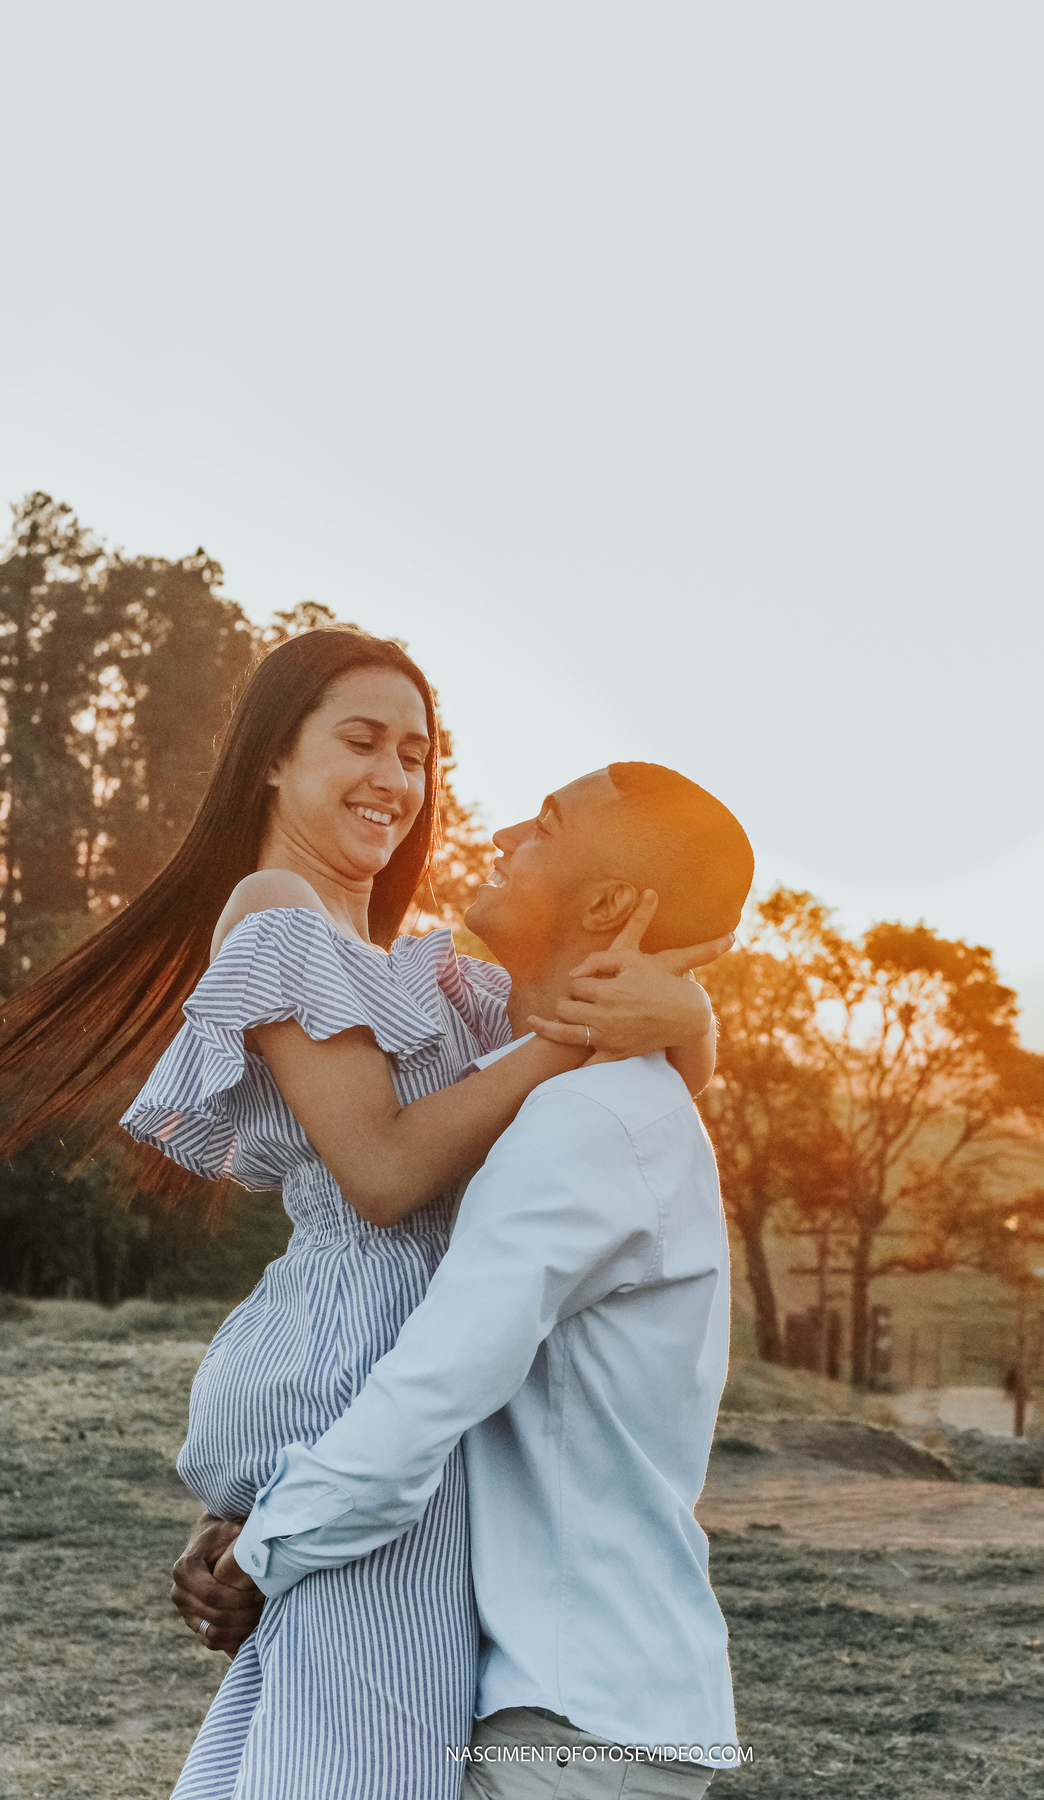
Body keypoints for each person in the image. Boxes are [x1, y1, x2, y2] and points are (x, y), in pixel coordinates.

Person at [0, 628, 727, 1800]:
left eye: (418, 753)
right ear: (272, 762)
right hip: (373, 1412)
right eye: (359, 741)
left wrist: (682, 1015)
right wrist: (573, 1035)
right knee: (349, 1757)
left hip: (383, 1433)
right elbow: (384, 1177)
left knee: (308, 1748)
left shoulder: (423, 976)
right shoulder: (279, 911)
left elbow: (621, 1101)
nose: (396, 778)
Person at [207, 759, 755, 1797]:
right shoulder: (594, 1099)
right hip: (597, 1701)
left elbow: (429, 1394)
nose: (502, 834)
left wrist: (261, 1552)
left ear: (605, 904)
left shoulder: (583, 1124)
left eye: (545, 825)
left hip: (575, 1720)